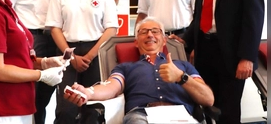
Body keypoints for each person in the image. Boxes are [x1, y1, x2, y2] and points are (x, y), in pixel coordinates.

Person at [63, 17, 214, 124]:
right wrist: (88, 92)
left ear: (164, 39)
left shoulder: (183, 66)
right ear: (136, 42)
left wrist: (181, 77)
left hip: (180, 115)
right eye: (144, 32)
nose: (150, 35)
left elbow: (208, 99)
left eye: (155, 31)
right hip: (141, 115)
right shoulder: (126, 67)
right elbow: (111, 87)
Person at [46, 0, 119, 124]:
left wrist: (89, 55)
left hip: (95, 52)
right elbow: (55, 28)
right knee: (66, 108)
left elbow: (111, 28)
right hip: (67, 53)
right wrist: (72, 58)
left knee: (93, 108)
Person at [7, 0, 58, 124]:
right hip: (29, 37)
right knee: (31, 90)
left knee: (47, 88)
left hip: (49, 35)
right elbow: (9, 8)